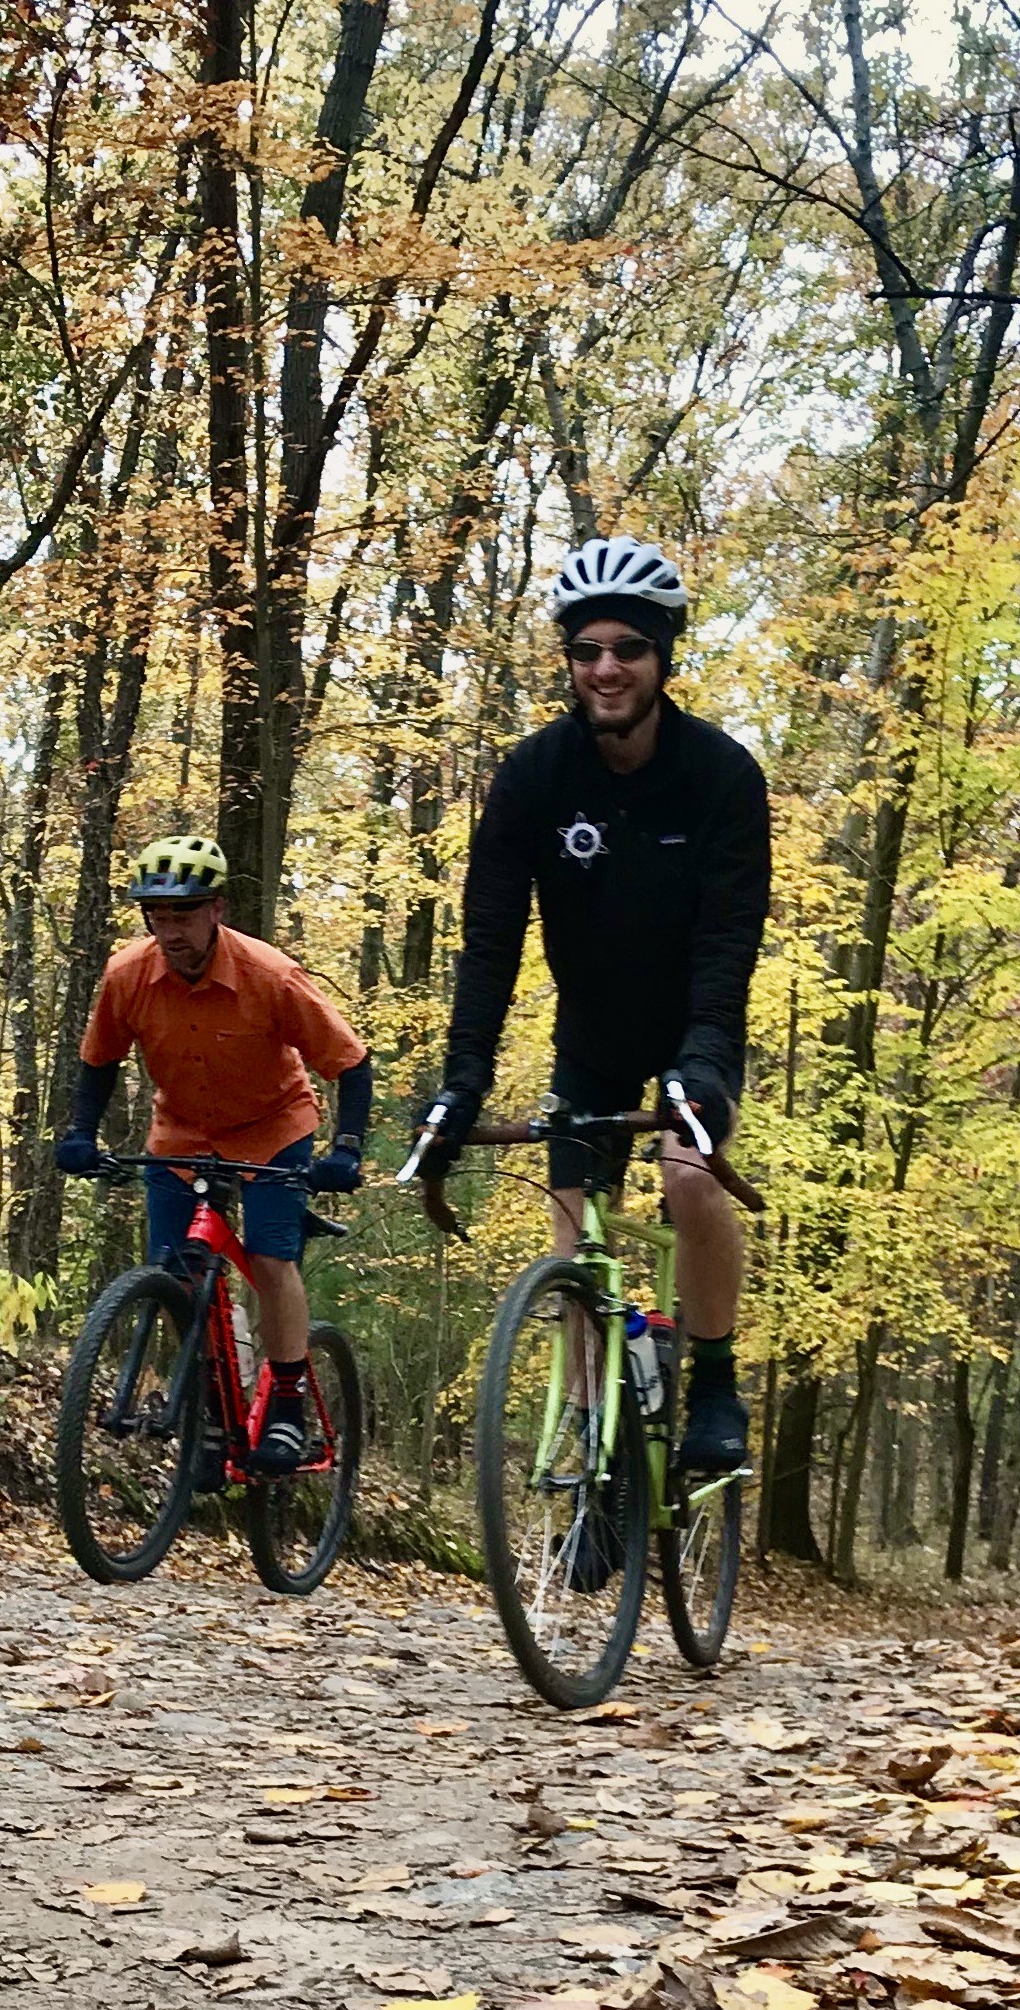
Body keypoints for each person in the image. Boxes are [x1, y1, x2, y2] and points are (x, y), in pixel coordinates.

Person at [419, 536, 771, 1472]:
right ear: (569, 661)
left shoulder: (722, 776)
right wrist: (463, 1081)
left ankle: (716, 1379)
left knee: (689, 1176)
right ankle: (589, 1452)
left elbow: (729, 939)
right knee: (574, 1232)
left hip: (694, 1028)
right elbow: (489, 940)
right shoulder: (534, 777)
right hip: (593, 1034)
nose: (606, 668)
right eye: (587, 650)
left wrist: (698, 1067)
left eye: (628, 648)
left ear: (662, 656)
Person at [54, 834, 371, 1473]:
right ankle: (210, 1414)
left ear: (217, 909)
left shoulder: (270, 976)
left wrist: (347, 1149)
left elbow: (351, 1064)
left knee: (271, 1257)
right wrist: (81, 1133)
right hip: (180, 1136)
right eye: (157, 916)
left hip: (272, 1130)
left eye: (184, 913)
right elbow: (99, 1062)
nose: (170, 930)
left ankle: (286, 1401)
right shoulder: (127, 975)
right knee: (176, 1274)